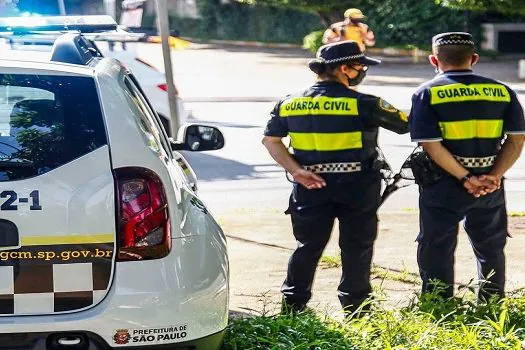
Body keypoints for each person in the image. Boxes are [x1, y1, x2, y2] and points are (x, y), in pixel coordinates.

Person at [262, 40, 409, 314]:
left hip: (309, 187)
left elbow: (271, 141)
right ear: (345, 68)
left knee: (306, 246)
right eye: (361, 65)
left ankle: (293, 305)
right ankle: (357, 308)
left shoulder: (289, 103)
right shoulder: (366, 103)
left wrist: (297, 171)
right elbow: (407, 124)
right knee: (357, 247)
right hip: (358, 189)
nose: (363, 70)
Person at [409, 32, 525, 301]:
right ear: (473, 58)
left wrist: (464, 177)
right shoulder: (503, 91)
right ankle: (492, 303)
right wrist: (493, 175)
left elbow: (430, 145)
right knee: (491, 247)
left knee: (436, 245)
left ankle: (438, 304)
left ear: (433, 60)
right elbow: (517, 139)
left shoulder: (427, 93)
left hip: (442, 184)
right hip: (490, 185)